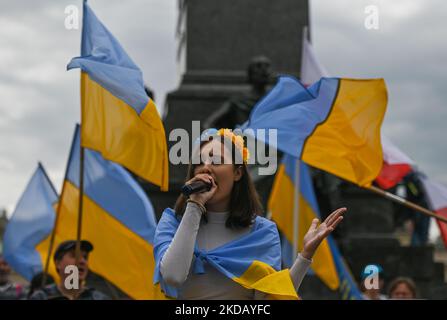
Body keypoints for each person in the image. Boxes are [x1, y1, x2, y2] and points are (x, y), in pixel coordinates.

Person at [153, 128, 346, 299]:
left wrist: (305, 255)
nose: (205, 167)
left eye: (217, 160)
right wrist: (194, 205)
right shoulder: (172, 223)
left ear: (237, 173)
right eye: (199, 162)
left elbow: (270, 297)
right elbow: (173, 276)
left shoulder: (262, 232)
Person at [29, 240, 109, 300]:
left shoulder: (99, 298)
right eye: (74, 255)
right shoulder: (42, 296)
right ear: (58, 263)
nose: (82, 261)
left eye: (85, 257)